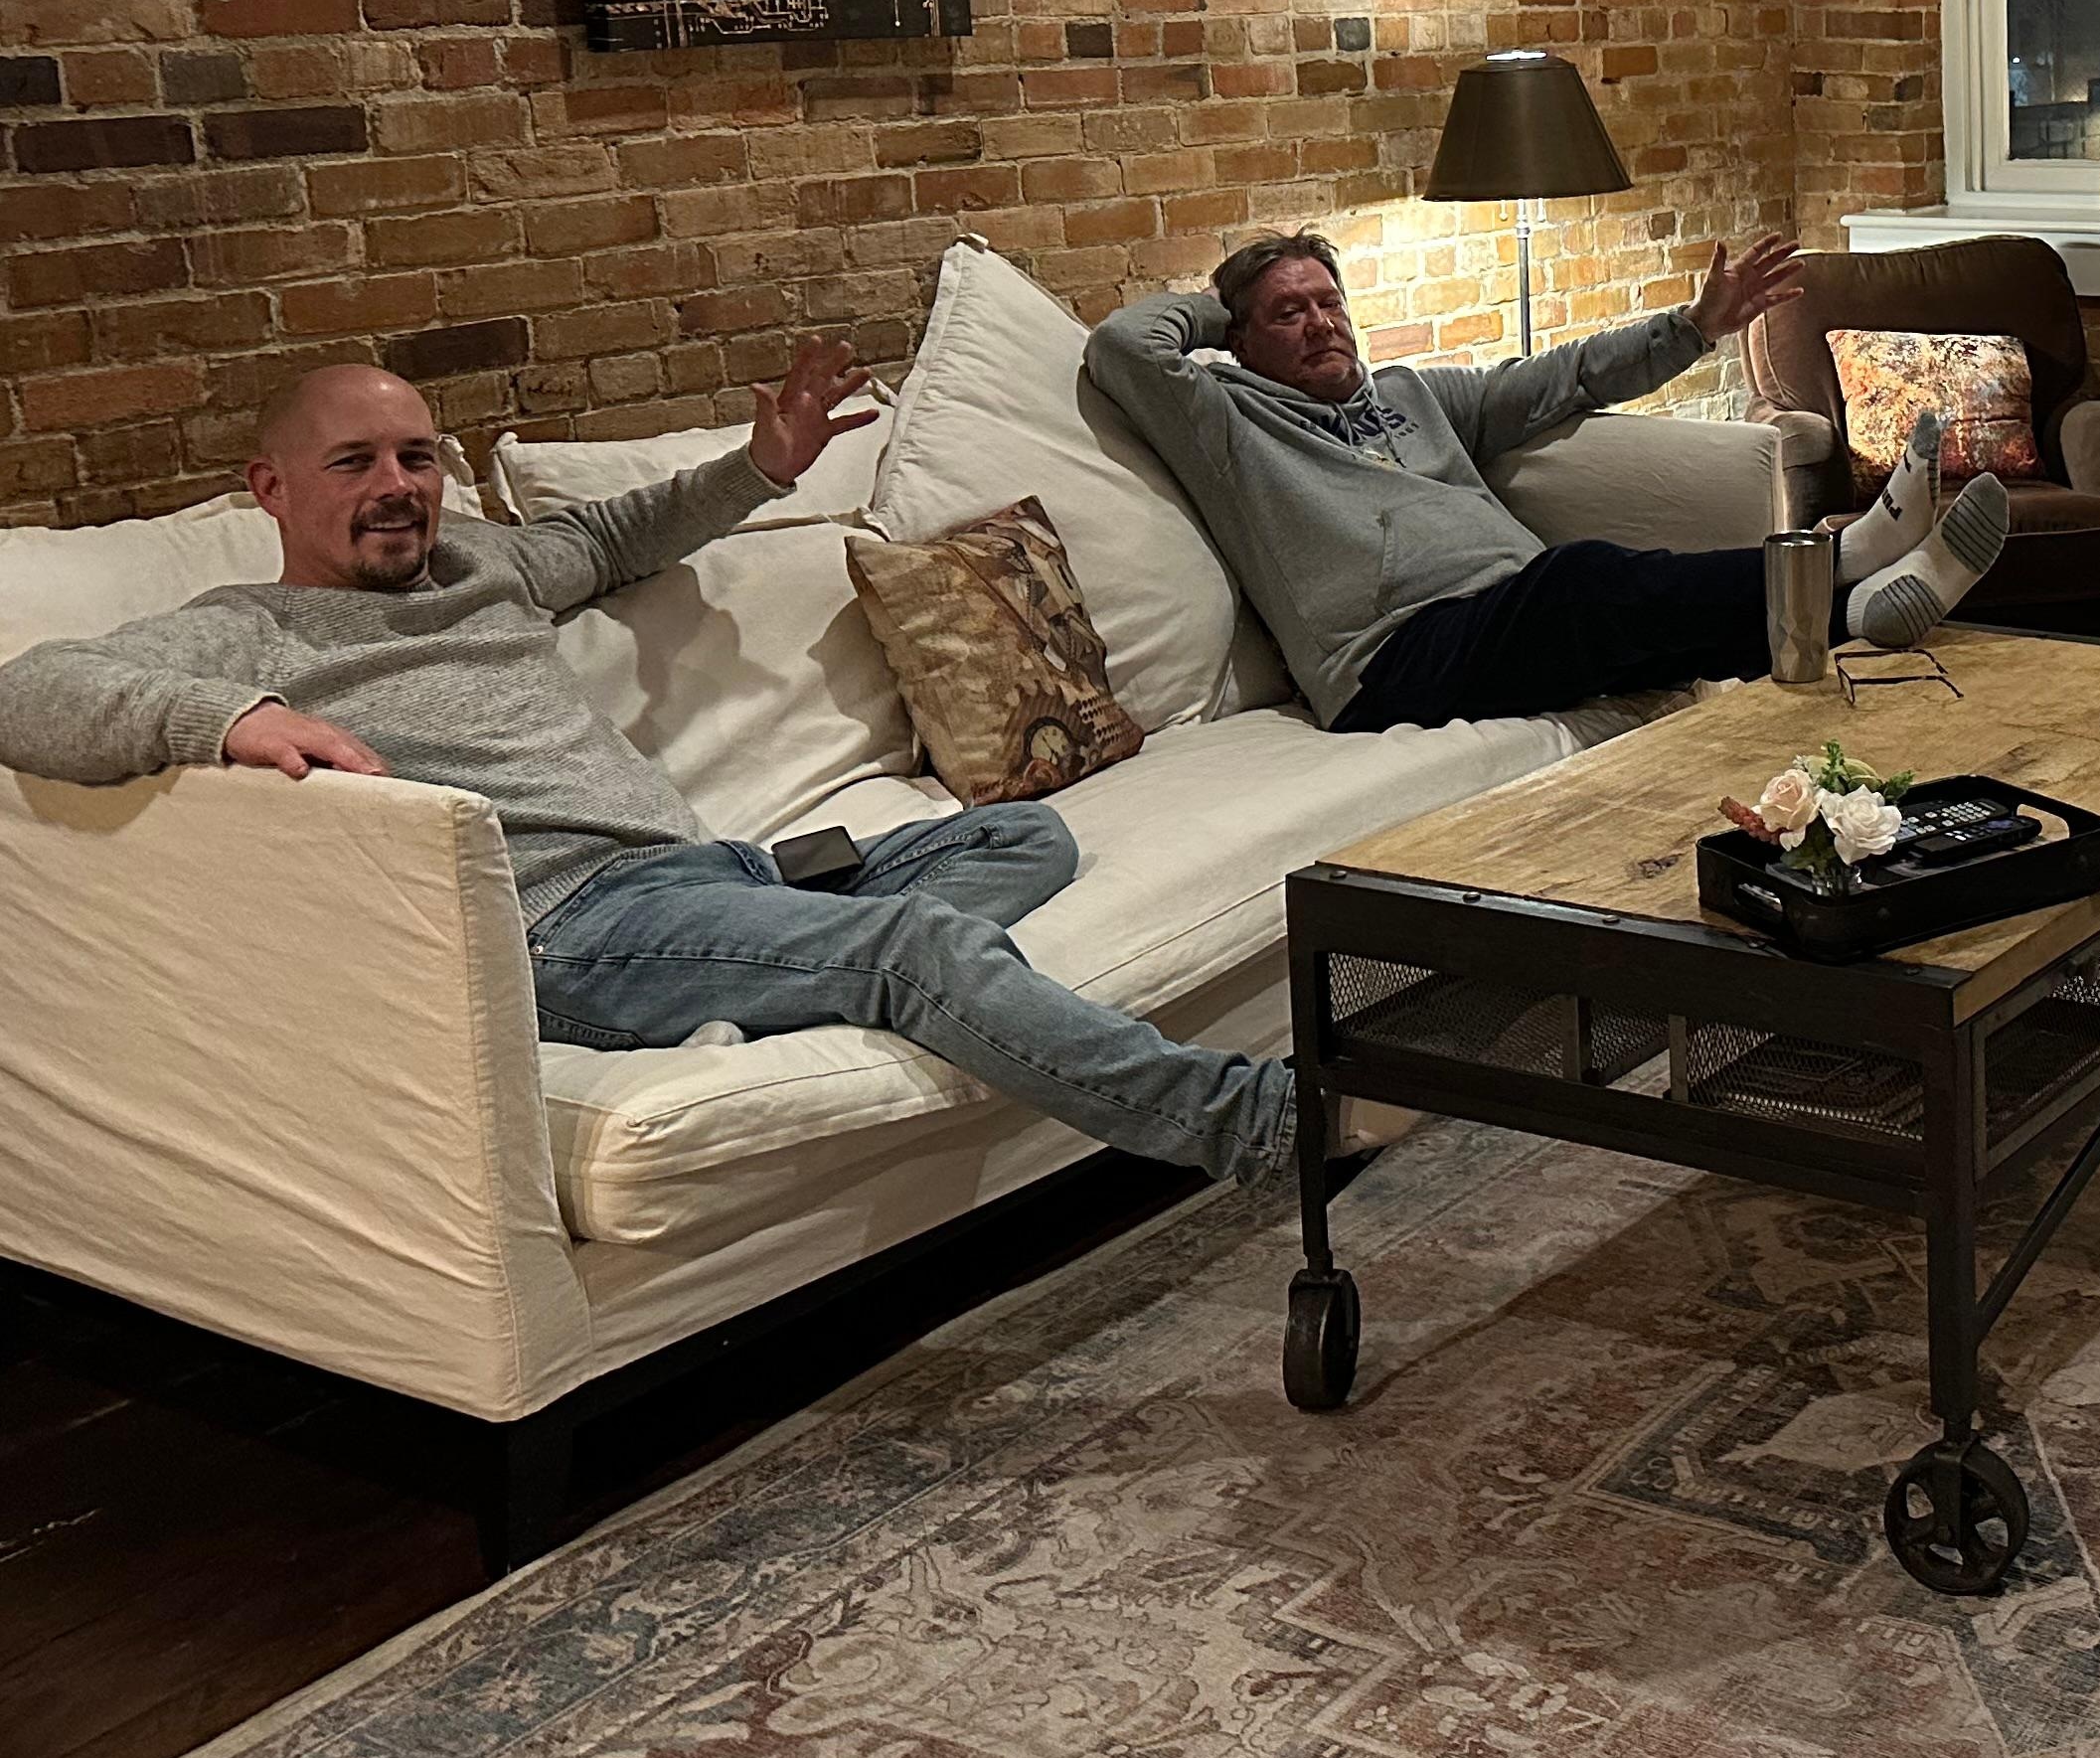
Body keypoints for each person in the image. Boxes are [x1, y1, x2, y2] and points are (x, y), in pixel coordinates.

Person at [0, 345, 1298, 1181]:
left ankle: (798, 975)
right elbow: (28, 692)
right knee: (917, 948)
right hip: (564, 934)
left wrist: (761, 468)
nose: (397, 486)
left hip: (706, 878)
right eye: (354, 463)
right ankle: (1256, 1125)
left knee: (1021, 835)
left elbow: (620, 537)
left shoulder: (483, 563)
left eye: (415, 457)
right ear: (271, 487)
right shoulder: (244, 630)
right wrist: (228, 721)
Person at [1084, 229, 2011, 729]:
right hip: (1390, 659)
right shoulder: (1231, 424)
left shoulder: (1411, 394)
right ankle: (1845, 564)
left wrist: (1695, 328)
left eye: (1330, 302)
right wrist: (1220, 306)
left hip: (1506, 613)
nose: (1321, 323)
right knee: (1585, 578)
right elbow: (1124, 345)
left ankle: (1852, 607)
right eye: (1288, 314)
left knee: (1629, 619)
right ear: (1241, 341)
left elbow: (1561, 379)